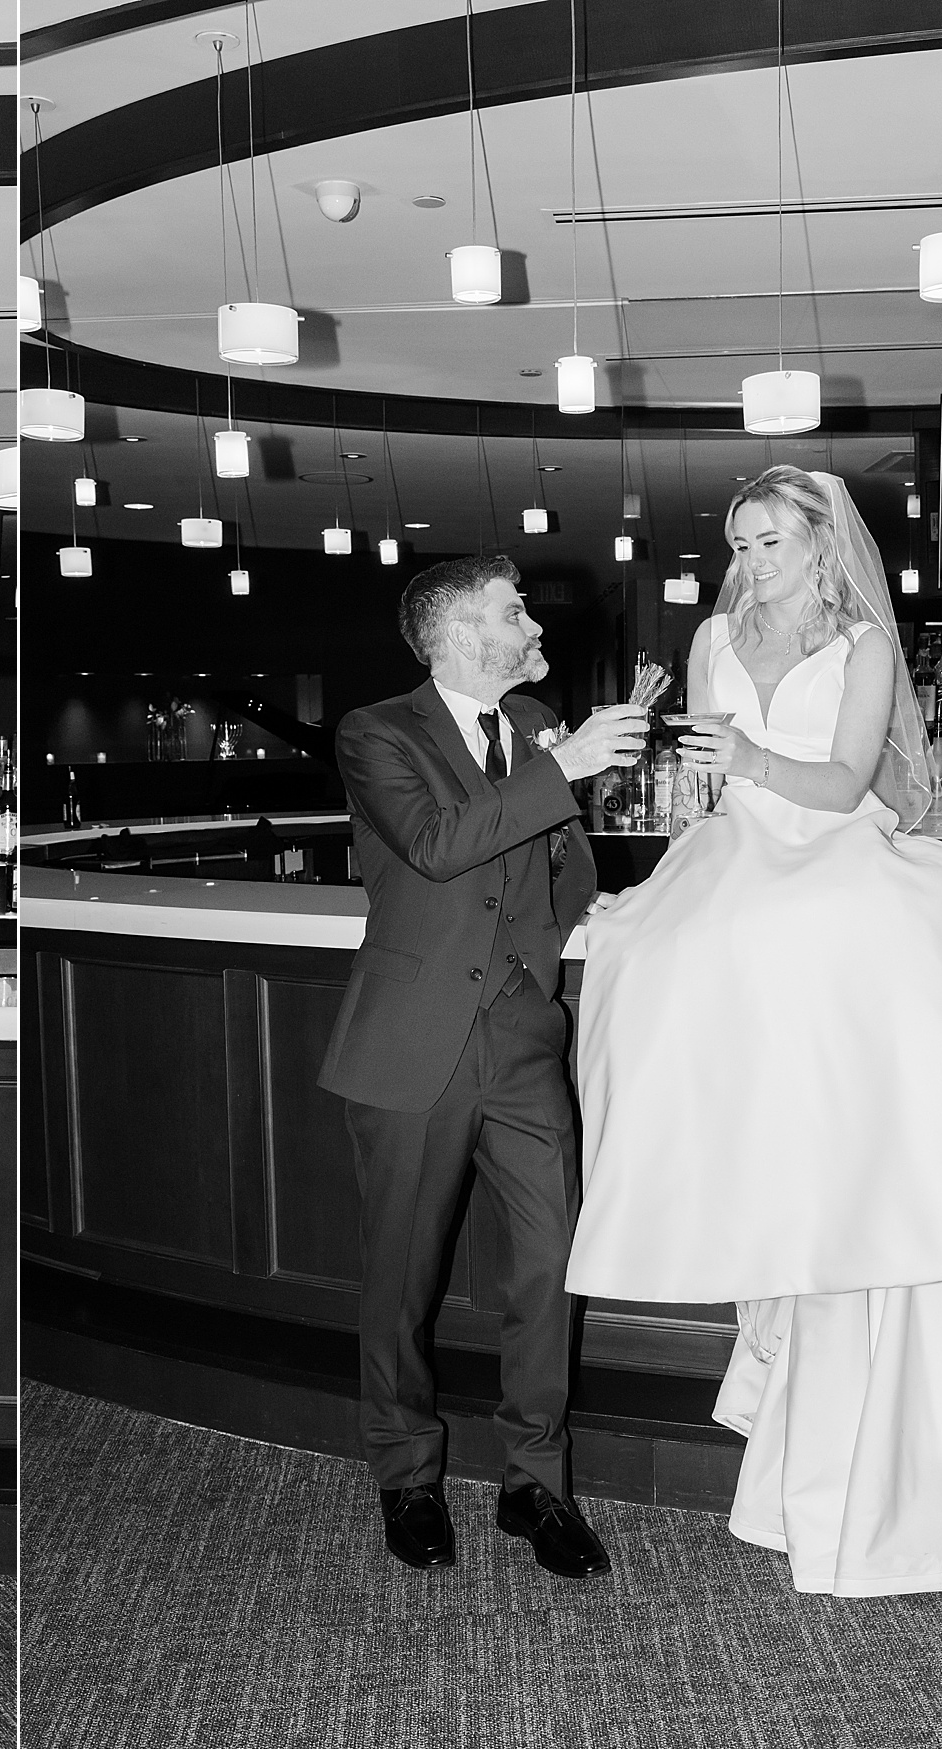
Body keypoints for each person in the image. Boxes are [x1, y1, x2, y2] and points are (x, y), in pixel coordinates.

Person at [570, 466, 942, 1596]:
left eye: (771, 541)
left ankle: (927, 1199)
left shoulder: (863, 644)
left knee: (885, 963)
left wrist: (746, 760)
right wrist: (678, 821)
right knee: (648, 957)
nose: (752, 560)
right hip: (736, 853)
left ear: (823, 542)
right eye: (742, 541)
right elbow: (704, 787)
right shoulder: (713, 634)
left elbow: (840, 784)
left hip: (828, 847)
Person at [317, 555, 648, 1581]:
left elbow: (553, 857)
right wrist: (568, 767)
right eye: (513, 612)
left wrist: (577, 908)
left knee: (551, 1262)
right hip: (414, 1038)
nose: (533, 625)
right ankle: (407, 1476)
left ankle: (534, 1482)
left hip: (521, 1039)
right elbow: (434, 844)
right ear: (459, 633)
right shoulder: (376, 732)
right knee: (403, 1281)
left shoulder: (539, 719)